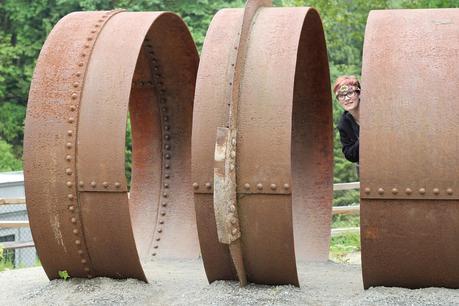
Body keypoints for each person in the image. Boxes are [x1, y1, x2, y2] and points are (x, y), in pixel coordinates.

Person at [334, 75, 360, 176]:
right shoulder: (344, 124)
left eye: (350, 93)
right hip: (367, 172)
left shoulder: (374, 113)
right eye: (341, 95)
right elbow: (350, 155)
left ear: (359, 93)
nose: (346, 98)